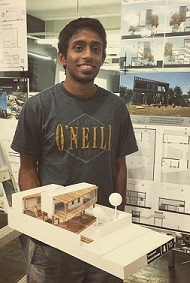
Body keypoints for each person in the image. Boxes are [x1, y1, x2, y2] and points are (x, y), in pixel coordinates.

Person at [11, 17, 138, 282]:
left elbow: (119, 166)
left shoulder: (116, 107)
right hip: (54, 237)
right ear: (62, 56)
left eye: (96, 48)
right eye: (78, 47)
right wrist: (41, 224)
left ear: (103, 58)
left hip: (103, 230)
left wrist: (119, 218)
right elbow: (27, 169)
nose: (88, 55)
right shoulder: (39, 107)